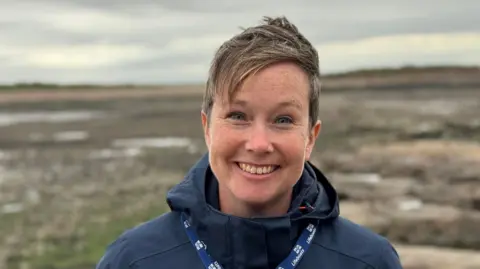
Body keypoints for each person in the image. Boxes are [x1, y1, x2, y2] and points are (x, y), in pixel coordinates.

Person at [96, 16, 403, 269]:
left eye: (283, 120)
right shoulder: (133, 260)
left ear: (310, 137)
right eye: (238, 115)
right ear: (207, 127)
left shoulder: (368, 262)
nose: (258, 144)